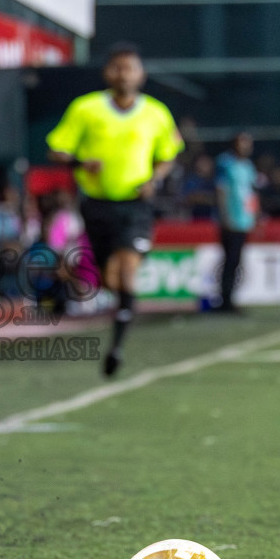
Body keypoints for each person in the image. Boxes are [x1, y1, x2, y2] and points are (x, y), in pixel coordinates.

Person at [46, 44, 184, 377]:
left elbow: (169, 154)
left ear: (141, 74)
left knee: (126, 270)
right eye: (118, 68)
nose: (124, 74)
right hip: (96, 204)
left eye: (131, 68)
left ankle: (117, 347)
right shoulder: (86, 109)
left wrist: (155, 179)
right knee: (110, 279)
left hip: (136, 205)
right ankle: (119, 321)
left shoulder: (156, 113)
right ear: (108, 72)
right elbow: (56, 149)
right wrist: (80, 162)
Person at [214, 133, 259, 313]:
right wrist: (225, 217)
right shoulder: (225, 163)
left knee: (236, 260)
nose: (247, 147)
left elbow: (251, 193)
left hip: (244, 220)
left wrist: (255, 215)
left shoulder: (248, 167)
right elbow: (221, 190)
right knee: (230, 259)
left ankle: (229, 298)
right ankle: (225, 300)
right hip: (231, 219)